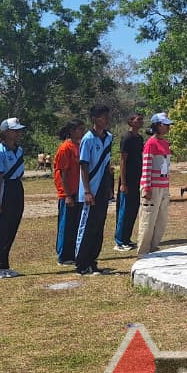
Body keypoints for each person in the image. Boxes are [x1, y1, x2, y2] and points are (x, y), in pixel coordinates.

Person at [74, 104, 114, 276]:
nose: (105, 120)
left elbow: (107, 165)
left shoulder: (109, 137)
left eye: (107, 116)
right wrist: (87, 191)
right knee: (87, 226)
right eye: (102, 117)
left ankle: (93, 261)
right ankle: (82, 263)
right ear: (95, 118)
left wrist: (110, 187)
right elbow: (83, 165)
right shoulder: (88, 139)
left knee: (99, 226)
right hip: (91, 186)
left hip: (103, 186)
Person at [0, 119, 26, 279]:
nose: (18, 133)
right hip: (3, 189)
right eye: (15, 130)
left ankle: (3, 265)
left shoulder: (19, 150)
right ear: (6, 132)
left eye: (19, 130)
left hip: (16, 188)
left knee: (11, 228)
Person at [136, 113, 173, 256]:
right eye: (165, 124)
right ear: (157, 125)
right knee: (148, 219)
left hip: (163, 186)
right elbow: (146, 166)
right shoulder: (150, 144)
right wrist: (146, 187)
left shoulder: (164, 143)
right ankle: (143, 251)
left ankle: (154, 247)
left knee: (161, 219)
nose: (168, 127)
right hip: (152, 187)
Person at [53, 120, 85, 265]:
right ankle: (63, 255)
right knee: (66, 225)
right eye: (78, 129)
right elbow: (63, 173)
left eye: (82, 129)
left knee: (76, 224)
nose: (81, 132)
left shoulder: (80, 146)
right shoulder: (65, 148)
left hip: (79, 191)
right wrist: (66, 195)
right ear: (71, 131)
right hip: (68, 192)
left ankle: (73, 252)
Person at [114, 112, 143, 252]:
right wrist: (123, 182)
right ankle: (119, 241)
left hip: (137, 178)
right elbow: (123, 160)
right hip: (127, 179)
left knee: (133, 209)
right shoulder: (127, 138)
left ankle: (127, 238)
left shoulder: (139, 138)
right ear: (131, 122)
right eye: (138, 120)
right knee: (124, 210)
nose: (141, 122)